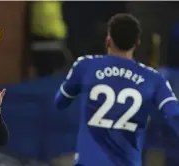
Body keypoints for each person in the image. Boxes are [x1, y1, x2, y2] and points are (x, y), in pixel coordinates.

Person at [54, 13, 179, 166]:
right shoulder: (154, 79)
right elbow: (174, 115)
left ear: (108, 40)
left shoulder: (84, 66)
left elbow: (60, 102)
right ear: (137, 43)